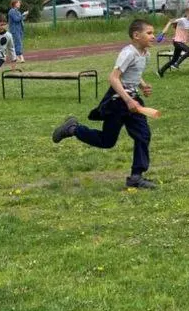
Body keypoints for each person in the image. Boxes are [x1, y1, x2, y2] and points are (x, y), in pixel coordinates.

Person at [51, 19, 158, 189]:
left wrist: (142, 85)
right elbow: (114, 78)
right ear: (136, 36)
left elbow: (132, 74)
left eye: (153, 33)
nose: (154, 36)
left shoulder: (145, 54)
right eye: (149, 33)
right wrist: (128, 100)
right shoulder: (128, 53)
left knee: (143, 135)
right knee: (107, 141)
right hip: (118, 101)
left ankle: (136, 177)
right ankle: (73, 129)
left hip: (133, 101)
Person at [158, 6, 189, 77]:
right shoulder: (182, 20)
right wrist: (163, 33)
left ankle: (161, 71)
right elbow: (170, 21)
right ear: (188, 13)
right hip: (177, 42)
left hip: (181, 42)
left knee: (173, 60)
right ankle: (177, 64)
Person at [7, 0, 28, 64]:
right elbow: (16, 19)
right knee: (18, 43)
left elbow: (21, 19)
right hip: (14, 30)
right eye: (18, 3)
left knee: (18, 43)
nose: (19, 4)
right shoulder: (12, 11)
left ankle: (16, 57)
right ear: (14, 3)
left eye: (19, 3)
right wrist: (23, 15)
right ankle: (20, 57)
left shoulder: (18, 12)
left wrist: (25, 15)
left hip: (19, 30)